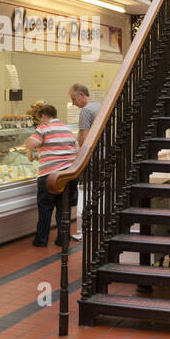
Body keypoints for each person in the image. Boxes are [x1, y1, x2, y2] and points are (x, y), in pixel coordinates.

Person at [24, 101, 78, 248]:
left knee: (45, 208)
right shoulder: (67, 130)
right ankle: (63, 239)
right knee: (64, 209)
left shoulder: (43, 128)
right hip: (68, 175)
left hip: (49, 176)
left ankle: (41, 240)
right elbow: (77, 151)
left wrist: (29, 150)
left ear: (43, 116)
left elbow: (31, 144)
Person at [67, 84, 99, 240]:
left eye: (74, 99)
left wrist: (77, 155)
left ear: (81, 95)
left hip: (91, 157)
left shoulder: (86, 111)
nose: (73, 103)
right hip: (102, 154)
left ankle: (83, 228)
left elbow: (84, 138)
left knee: (84, 191)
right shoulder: (99, 106)